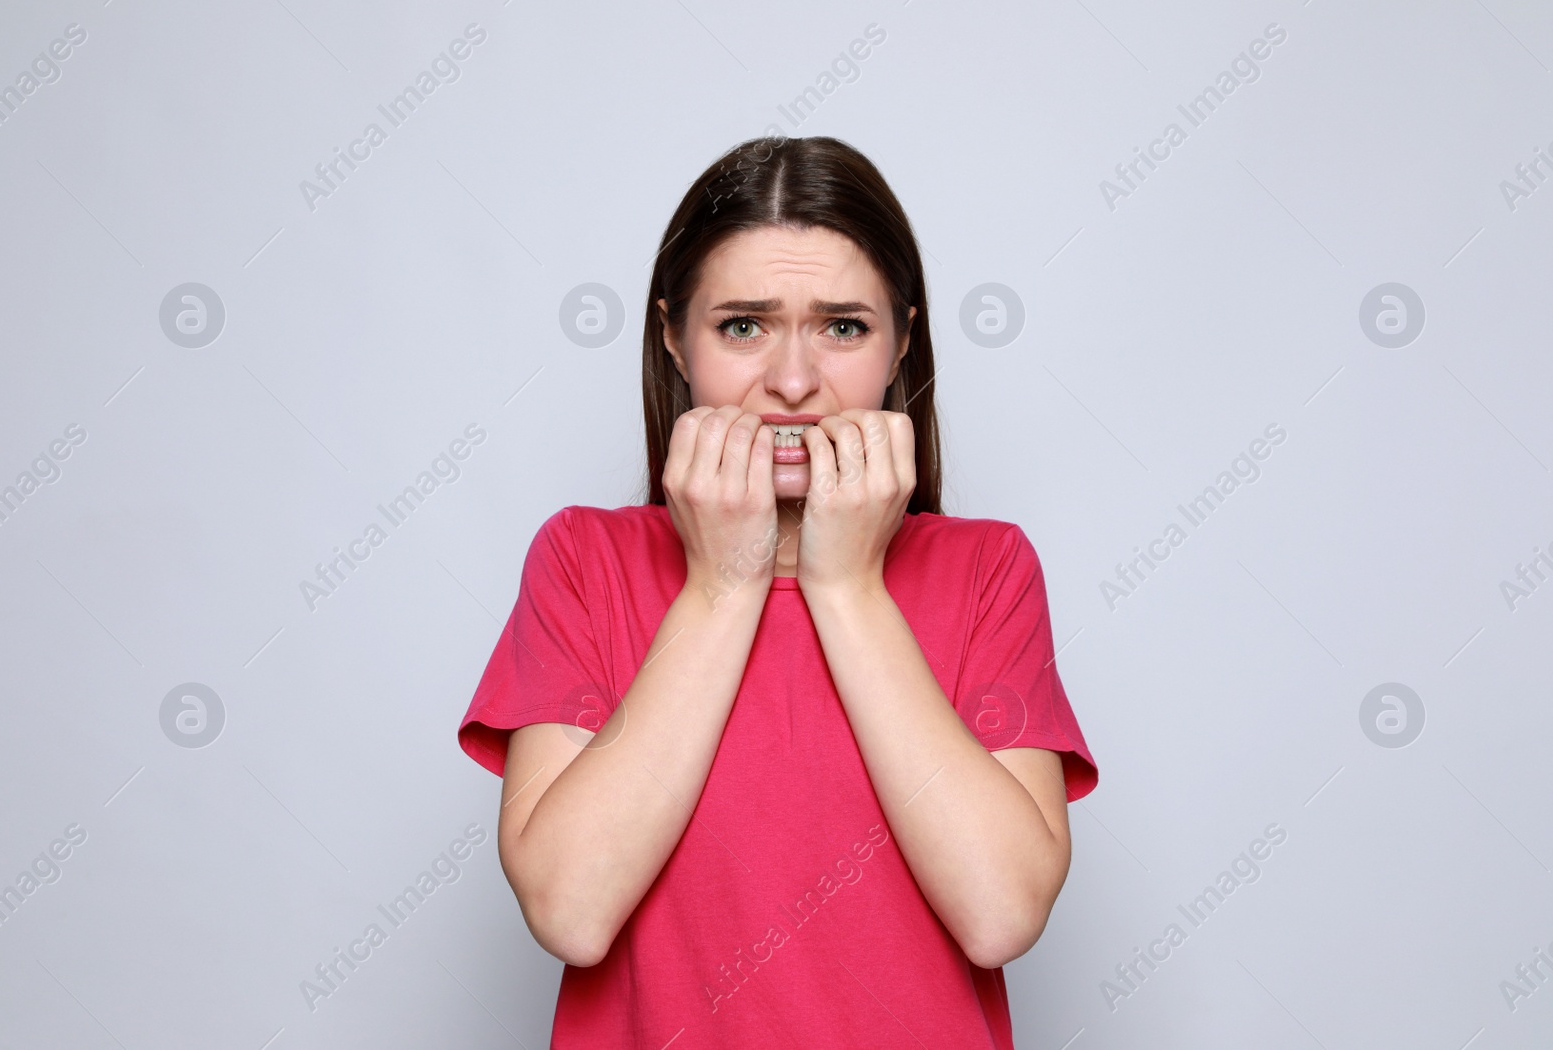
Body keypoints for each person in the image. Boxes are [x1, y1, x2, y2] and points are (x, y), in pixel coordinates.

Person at [457, 134, 1098, 1049]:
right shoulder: (584, 562)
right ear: (674, 337)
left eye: (843, 326)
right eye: (743, 325)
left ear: (902, 343)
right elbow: (571, 909)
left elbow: (1000, 913)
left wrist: (847, 585)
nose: (794, 383)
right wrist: (722, 584)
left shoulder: (988, 570)